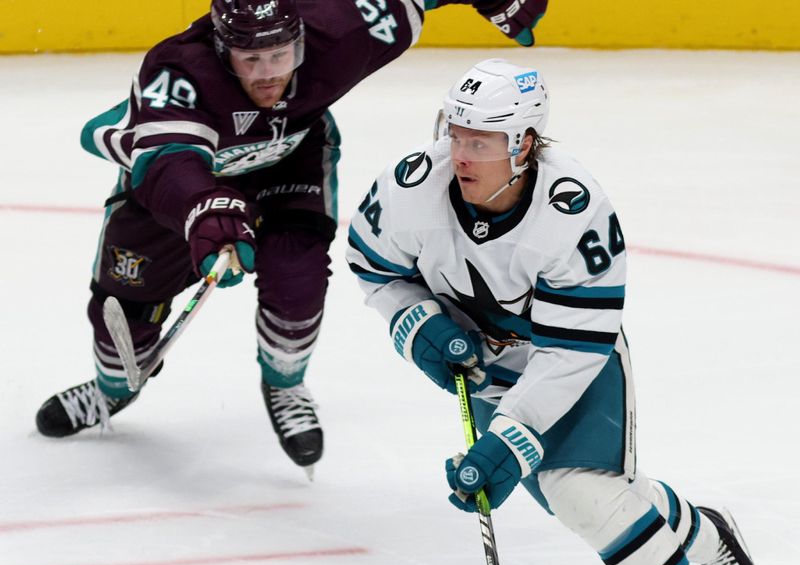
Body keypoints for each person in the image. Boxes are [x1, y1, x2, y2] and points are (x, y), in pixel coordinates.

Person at [34, 0, 549, 475]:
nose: (269, 74)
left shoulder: (340, 34)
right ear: (220, 47)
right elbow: (171, 163)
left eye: (281, 55)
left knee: (297, 279)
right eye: (250, 59)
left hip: (292, 161)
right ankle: (111, 390)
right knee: (125, 305)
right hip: (188, 182)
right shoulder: (180, 72)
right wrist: (210, 212)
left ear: (300, 39)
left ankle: (284, 384)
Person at [346, 59, 769, 565]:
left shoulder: (572, 211)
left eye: (481, 143)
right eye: (456, 135)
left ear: (523, 145)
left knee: (580, 494)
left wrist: (510, 436)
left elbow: (570, 350)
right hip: (485, 370)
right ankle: (708, 536)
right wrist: (415, 322)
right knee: (582, 493)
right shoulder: (411, 187)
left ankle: (702, 545)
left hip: (573, 363)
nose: (460, 155)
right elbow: (374, 267)